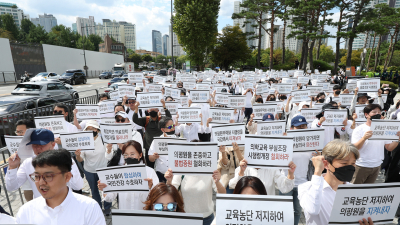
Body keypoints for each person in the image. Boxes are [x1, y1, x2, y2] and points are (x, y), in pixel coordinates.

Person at [15, 149, 106, 225]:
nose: (41, 182)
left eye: (48, 176)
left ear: (67, 177)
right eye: (37, 176)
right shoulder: (26, 211)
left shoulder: (89, 208)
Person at [298, 139, 374, 225]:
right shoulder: (306, 187)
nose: (350, 167)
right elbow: (313, 210)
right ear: (326, 164)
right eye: (344, 163)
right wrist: (317, 171)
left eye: (353, 163)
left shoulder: (354, 190)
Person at [6, 129, 83, 199]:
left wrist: (68, 165)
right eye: (35, 145)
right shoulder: (28, 163)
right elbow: (11, 187)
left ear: (53, 144)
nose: (38, 148)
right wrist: (12, 167)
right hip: (41, 209)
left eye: (42, 145)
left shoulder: (64, 159)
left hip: (64, 205)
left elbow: (78, 186)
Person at [99, 140, 159, 210]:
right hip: (125, 215)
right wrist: (105, 189)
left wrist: (150, 187)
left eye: (132, 154)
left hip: (143, 214)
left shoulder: (150, 172)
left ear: (140, 155)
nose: (129, 157)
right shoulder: (118, 172)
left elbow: (157, 198)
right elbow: (109, 198)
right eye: (126, 155)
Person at [351, 104, 400, 184]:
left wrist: (397, 140)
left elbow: (389, 148)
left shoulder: (384, 128)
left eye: (379, 112)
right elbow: (354, 148)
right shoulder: (359, 129)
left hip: (377, 166)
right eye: (374, 112)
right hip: (362, 165)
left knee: (368, 191)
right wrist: (364, 138)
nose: (377, 114)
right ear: (366, 115)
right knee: (355, 190)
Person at [74, 120, 111, 214]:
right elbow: (80, 160)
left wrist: (109, 149)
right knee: (94, 191)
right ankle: (98, 208)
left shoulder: (104, 140)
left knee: (106, 189)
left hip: (103, 170)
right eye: (88, 129)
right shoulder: (84, 142)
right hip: (89, 171)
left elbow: (109, 156)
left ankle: (107, 208)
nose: (91, 131)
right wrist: (78, 155)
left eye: (93, 128)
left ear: (97, 130)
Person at [132, 99, 171, 168]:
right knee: (150, 167)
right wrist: (136, 108)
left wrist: (164, 106)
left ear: (158, 111)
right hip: (148, 147)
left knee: (161, 166)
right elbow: (135, 120)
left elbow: (169, 118)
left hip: (160, 147)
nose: (153, 111)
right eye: (151, 109)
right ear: (148, 111)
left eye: (155, 109)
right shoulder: (146, 119)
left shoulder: (161, 119)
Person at [148, 117, 178, 183]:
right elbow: (150, 158)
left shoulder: (178, 140)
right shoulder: (156, 141)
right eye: (170, 127)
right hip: (160, 175)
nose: (173, 129)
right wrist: (154, 157)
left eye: (173, 126)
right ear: (162, 129)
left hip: (175, 175)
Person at [15, 119, 36, 202]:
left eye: (21, 132)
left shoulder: (39, 145)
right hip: (28, 187)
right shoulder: (16, 146)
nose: (18, 135)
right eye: (17, 132)